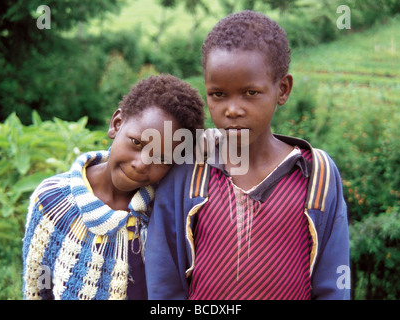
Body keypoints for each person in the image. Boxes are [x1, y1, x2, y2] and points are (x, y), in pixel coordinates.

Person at [145, 11, 350, 300]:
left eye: (250, 93)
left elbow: (333, 281)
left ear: (283, 89)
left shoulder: (317, 175)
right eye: (218, 95)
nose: (232, 109)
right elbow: (163, 279)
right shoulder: (188, 170)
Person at [22, 74, 205, 300]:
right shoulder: (51, 202)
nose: (141, 164)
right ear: (116, 124)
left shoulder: (163, 213)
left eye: (161, 158)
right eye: (137, 143)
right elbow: (39, 288)